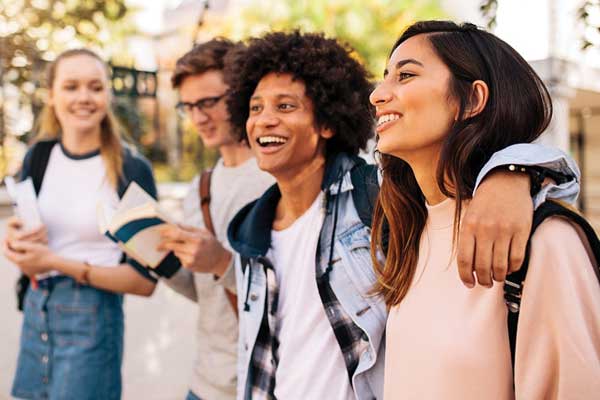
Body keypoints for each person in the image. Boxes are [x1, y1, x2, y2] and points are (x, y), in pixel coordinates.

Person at [224, 31, 580, 400]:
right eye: (254, 108)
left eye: (285, 106)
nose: (376, 95)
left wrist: (515, 172)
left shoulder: (374, 203)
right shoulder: (250, 232)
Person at [369, 20, 599, 399]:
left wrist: (518, 171)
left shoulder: (545, 241)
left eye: (405, 75)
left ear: (472, 99)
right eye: (384, 77)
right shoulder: (404, 233)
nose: (378, 95)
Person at [3, 49, 160, 400]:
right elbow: (26, 232)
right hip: (36, 310)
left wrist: (54, 262)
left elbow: (144, 281)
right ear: (52, 95)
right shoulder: (38, 157)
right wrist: (14, 240)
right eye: (71, 87)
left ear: (109, 94)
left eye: (95, 87)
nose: (84, 98)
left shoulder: (131, 170)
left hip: (92, 318)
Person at [157, 38, 274, 400]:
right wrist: (158, 260)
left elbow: (297, 295)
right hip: (204, 382)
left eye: (208, 102)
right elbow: (203, 292)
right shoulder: (201, 186)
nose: (198, 118)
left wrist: (222, 262)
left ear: (241, 93)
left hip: (262, 382)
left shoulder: (277, 176)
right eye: (188, 106)